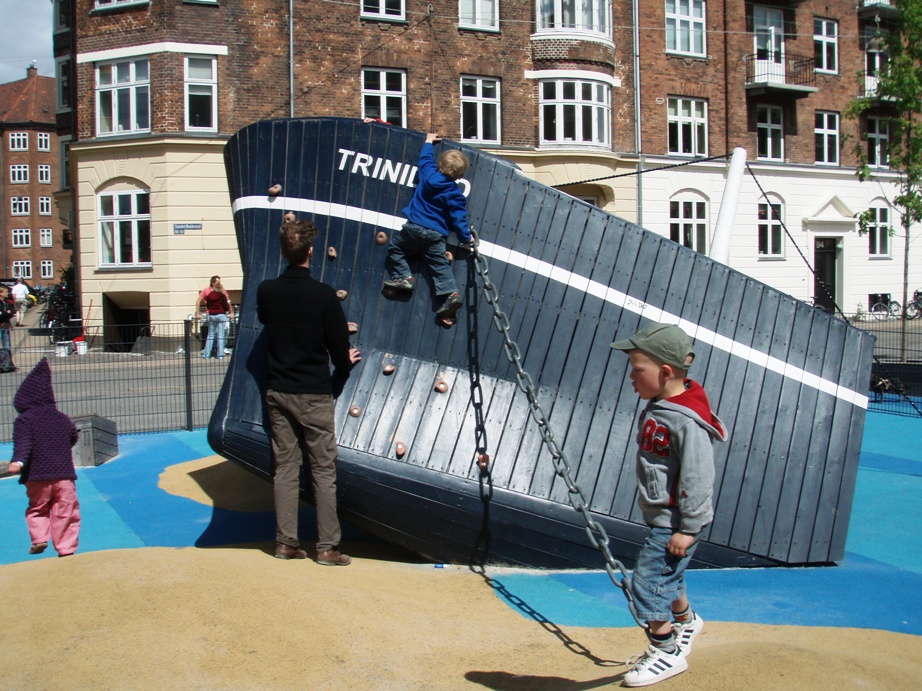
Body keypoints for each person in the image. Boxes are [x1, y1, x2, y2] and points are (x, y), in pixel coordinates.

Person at [610, 322, 728, 687]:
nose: (631, 376)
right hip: (666, 518)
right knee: (668, 577)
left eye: (637, 369)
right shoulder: (663, 404)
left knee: (646, 583)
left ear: (665, 372)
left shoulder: (684, 420)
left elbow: (697, 475)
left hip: (675, 522)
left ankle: (666, 652)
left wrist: (687, 529)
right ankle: (687, 622)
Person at [256, 219, 361, 565]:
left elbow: (267, 320)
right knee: (322, 470)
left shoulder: (266, 291)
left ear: (284, 252)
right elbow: (337, 345)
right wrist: (342, 368)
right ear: (311, 252)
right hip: (314, 393)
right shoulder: (323, 295)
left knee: (285, 468)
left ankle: (286, 542)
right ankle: (327, 548)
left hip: (278, 391)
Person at [383, 133, 472, 324]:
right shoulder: (455, 194)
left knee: (396, 249)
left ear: (440, 165)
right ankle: (451, 294)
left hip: (414, 227)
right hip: (435, 234)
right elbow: (459, 219)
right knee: (439, 265)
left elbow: (424, 159)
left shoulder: (429, 175)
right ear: (461, 176)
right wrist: (467, 238)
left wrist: (428, 142)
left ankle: (405, 277)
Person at [7, 358, 81, 557]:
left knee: (37, 508)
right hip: (64, 475)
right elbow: (72, 436)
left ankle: (40, 538)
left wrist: (18, 461)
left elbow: (24, 444)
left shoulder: (24, 420)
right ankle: (66, 547)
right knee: (66, 510)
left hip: (36, 475)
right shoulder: (62, 418)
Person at [201, 281, 235, 360]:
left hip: (211, 315)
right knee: (220, 336)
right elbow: (226, 307)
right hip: (221, 315)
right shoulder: (222, 296)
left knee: (210, 335)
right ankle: (220, 355)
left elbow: (208, 305)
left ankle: (206, 355)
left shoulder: (209, 295)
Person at [0, 286, 17, 372]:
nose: (8, 293)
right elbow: (2, 314)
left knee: (7, 346)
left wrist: (7, 313)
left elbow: (12, 311)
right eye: (6, 292)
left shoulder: (6, 303)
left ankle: (8, 364)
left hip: (5, 326)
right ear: (1, 293)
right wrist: (6, 313)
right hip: (1, 325)